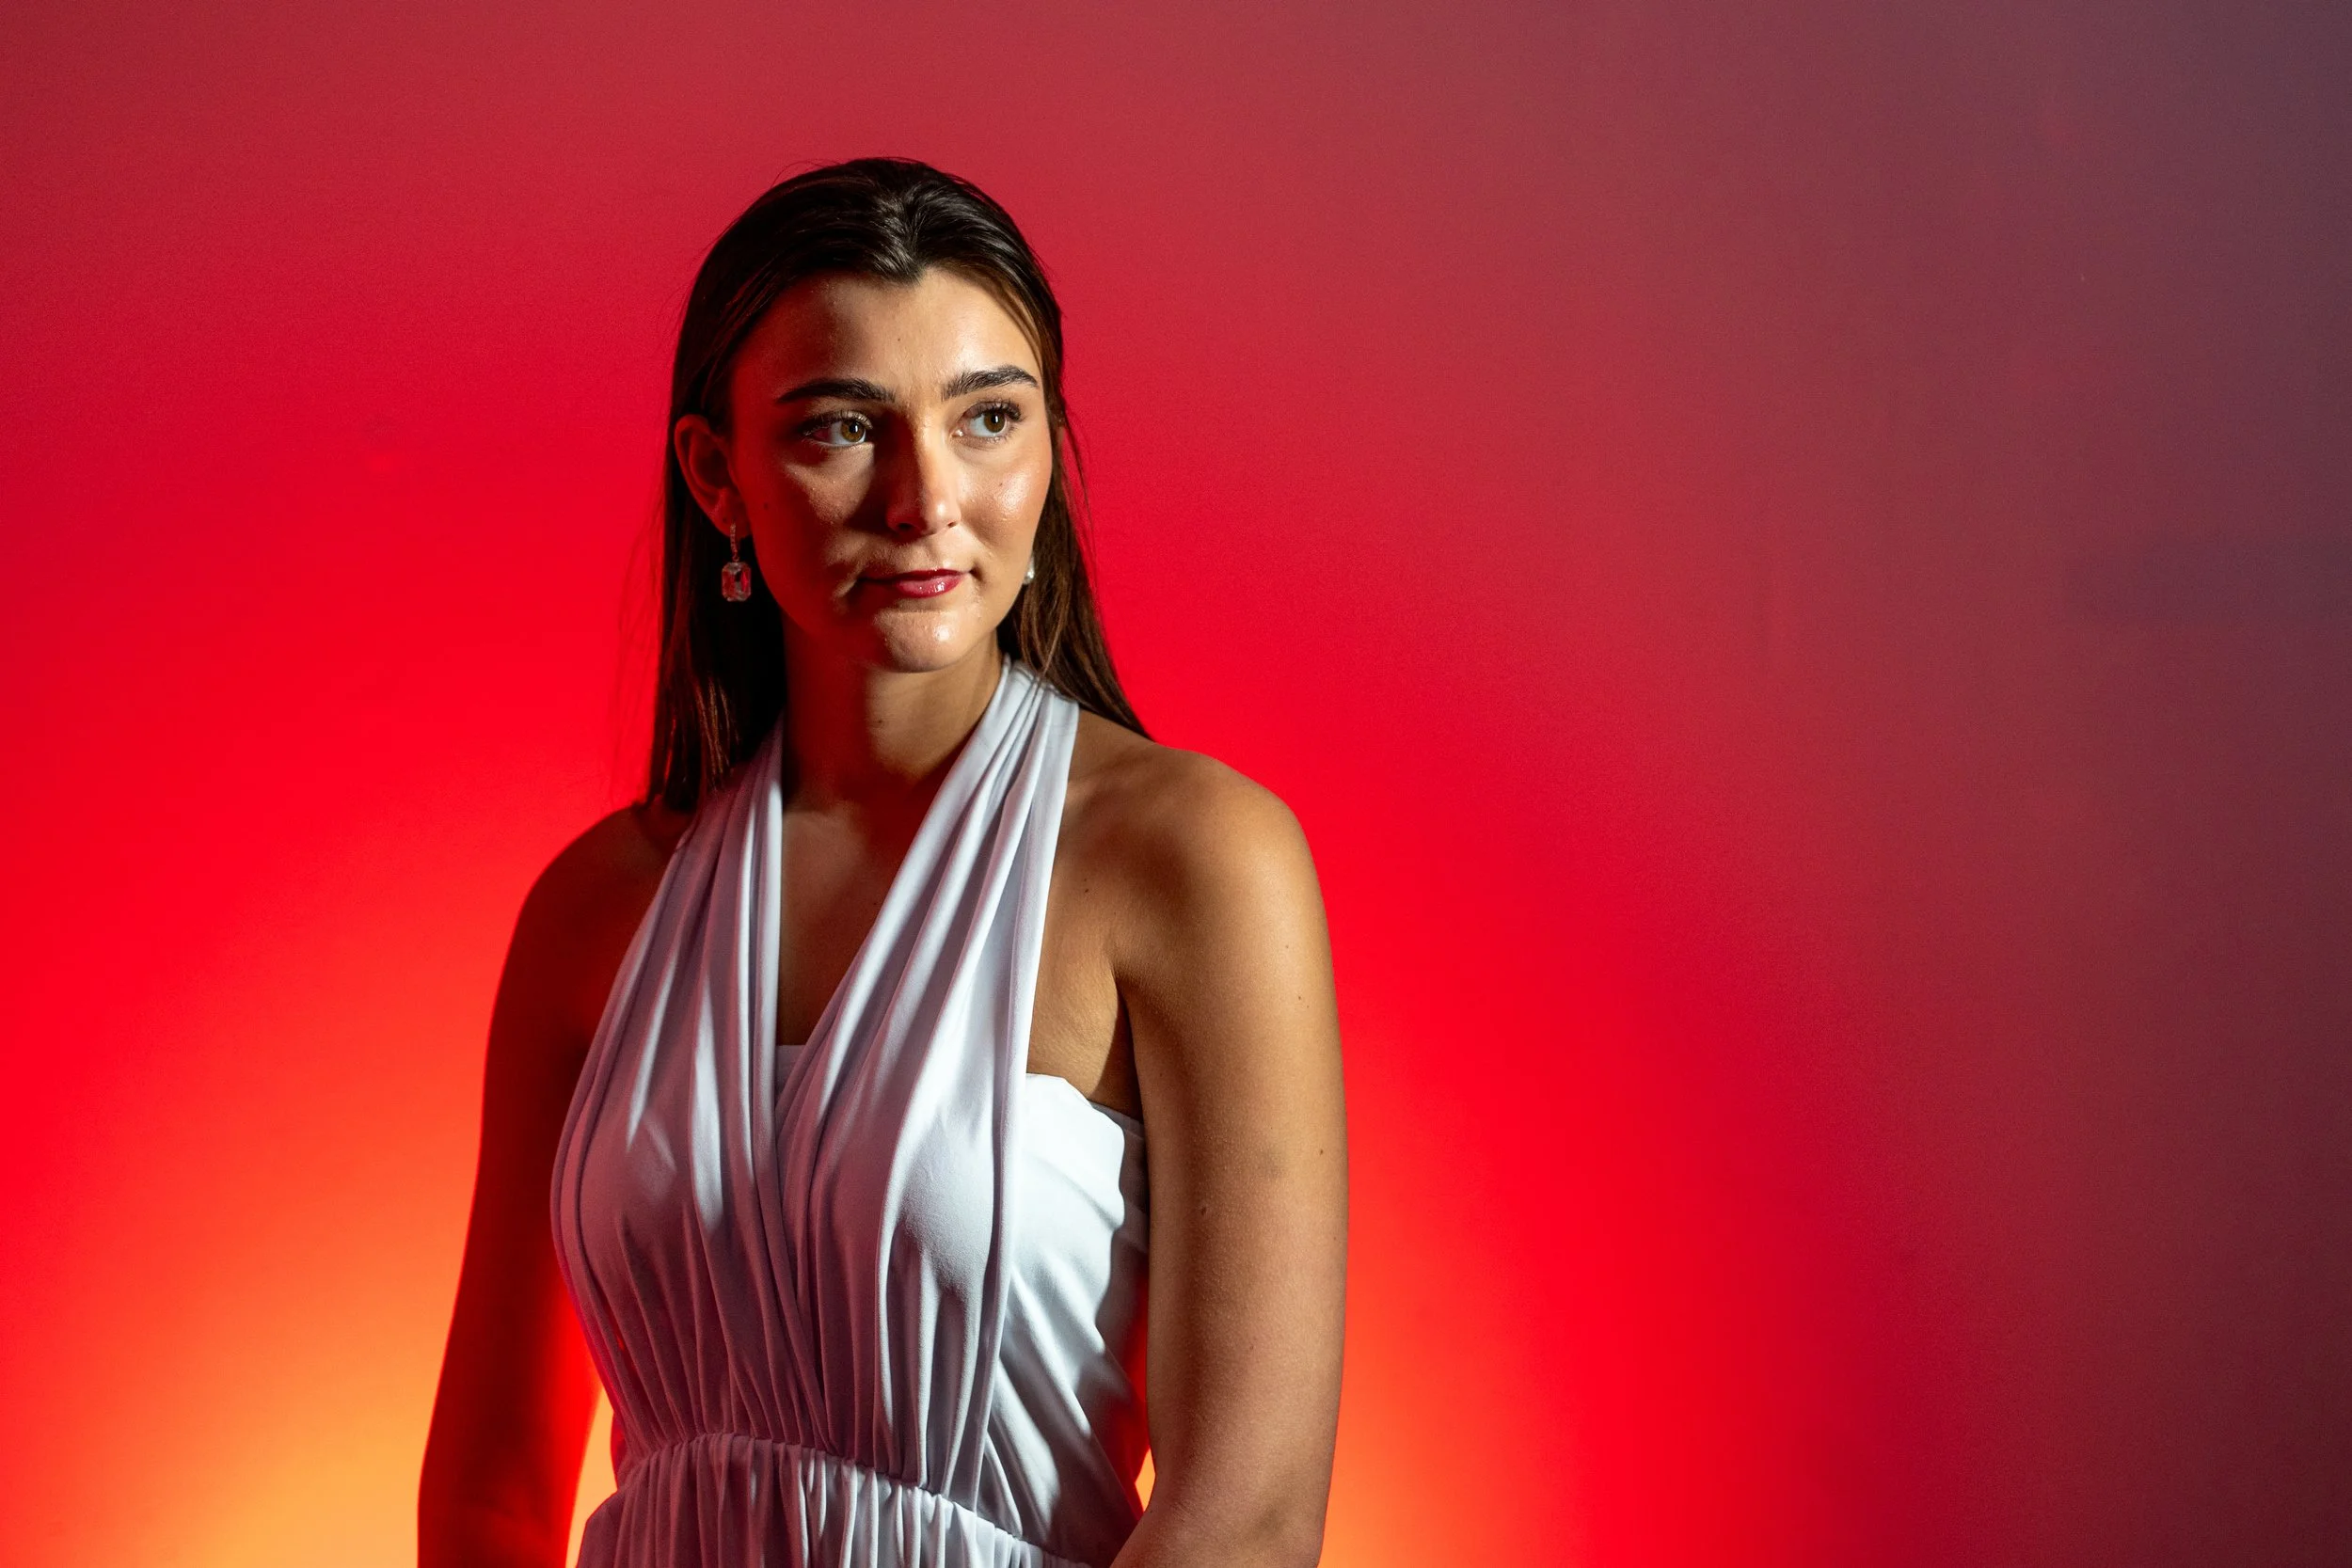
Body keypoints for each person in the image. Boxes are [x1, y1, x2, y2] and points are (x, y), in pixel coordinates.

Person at [418, 158, 1346, 1568]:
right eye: (843, 426)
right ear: (716, 473)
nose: (925, 497)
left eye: (988, 418)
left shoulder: (1193, 861)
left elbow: (1250, 1514)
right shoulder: (596, 908)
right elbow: (490, 1485)